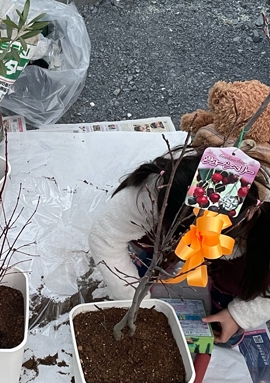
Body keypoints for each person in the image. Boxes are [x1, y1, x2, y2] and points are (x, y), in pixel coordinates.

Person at [88, 146, 270, 346]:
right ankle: (150, 263)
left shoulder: (259, 218)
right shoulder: (154, 193)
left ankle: (224, 293)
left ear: (252, 211)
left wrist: (240, 315)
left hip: (253, 242)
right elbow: (105, 238)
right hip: (164, 235)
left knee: (245, 279)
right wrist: (132, 297)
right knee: (147, 258)